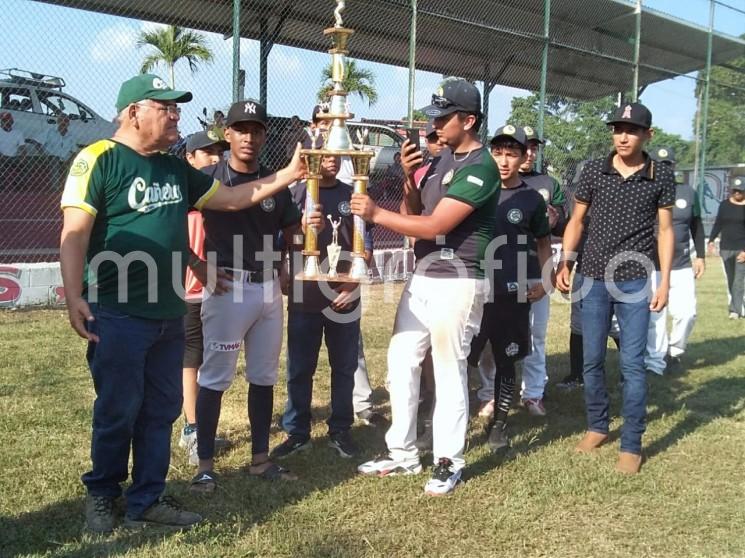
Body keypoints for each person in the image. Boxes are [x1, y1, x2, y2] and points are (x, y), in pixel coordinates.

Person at [59, 74, 305, 533]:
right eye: (165, 107)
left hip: (169, 312)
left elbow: (232, 199)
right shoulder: (97, 160)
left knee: (162, 408)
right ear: (134, 112)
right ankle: (102, 493)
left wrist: (289, 175)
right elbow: (74, 234)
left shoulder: (175, 169)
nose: (175, 116)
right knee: (118, 408)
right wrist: (74, 295)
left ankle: (147, 498)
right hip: (117, 310)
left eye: (176, 108)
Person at [352, 79, 499, 495]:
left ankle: (448, 460)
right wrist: (408, 177)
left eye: (443, 116)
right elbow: (413, 212)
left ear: (468, 120)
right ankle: (402, 452)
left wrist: (375, 213)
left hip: (459, 279)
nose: (434, 125)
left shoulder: (481, 166)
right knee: (401, 363)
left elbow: (435, 226)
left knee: (450, 370)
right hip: (423, 276)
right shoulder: (440, 162)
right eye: (433, 116)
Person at [190, 99, 319, 493]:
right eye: (240, 128)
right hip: (227, 288)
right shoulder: (210, 177)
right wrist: (196, 266)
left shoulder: (274, 182)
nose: (248, 136)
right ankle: (206, 465)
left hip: (267, 289)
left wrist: (294, 252)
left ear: (264, 135)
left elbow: (292, 228)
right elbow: (169, 221)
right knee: (215, 378)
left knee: (263, 377)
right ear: (226, 134)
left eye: (256, 129)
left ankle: (260, 459)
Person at [556, 102, 675, 474]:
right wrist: (566, 261)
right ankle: (597, 426)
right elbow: (576, 221)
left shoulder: (661, 175)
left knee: (632, 364)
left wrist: (664, 279)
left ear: (647, 135)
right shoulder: (593, 170)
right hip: (591, 278)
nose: (623, 136)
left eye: (632, 130)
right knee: (591, 360)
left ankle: (632, 443)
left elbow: (666, 230)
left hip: (636, 280)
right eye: (618, 128)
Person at [270, 154, 369, 460]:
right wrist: (298, 231)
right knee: (300, 368)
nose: (332, 161)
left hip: (343, 295)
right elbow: (282, 241)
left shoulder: (353, 194)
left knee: (344, 366)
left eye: (337, 156)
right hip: (306, 294)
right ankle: (297, 432)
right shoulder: (296, 193)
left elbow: (365, 247)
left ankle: (340, 429)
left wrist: (351, 286)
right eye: (325, 155)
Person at [467, 125, 552, 452]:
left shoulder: (532, 199)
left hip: (513, 293)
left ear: (523, 156)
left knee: (507, 359)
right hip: (474, 290)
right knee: (465, 360)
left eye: (512, 153)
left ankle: (500, 423)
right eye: (498, 152)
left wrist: (545, 282)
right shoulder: (475, 188)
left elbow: (544, 243)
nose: (504, 161)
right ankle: (453, 421)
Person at [179, 130, 230, 464]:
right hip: (186, 291)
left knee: (213, 359)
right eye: (206, 152)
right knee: (191, 357)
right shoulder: (181, 192)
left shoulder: (220, 193)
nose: (214, 157)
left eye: (217, 152)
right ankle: (192, 429)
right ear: (190, 158)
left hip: (217, 289)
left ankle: (203, 424)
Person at [645, 147, 706, 373]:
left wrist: (700, 256)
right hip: (652, 265)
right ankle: (655, 363)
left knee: (687, 313)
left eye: (667, 165)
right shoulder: (643, 191)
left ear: (674, 167)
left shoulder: (688, 193)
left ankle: (674, 351)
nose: (664, 169)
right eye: (659, 165)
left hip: (681, 264)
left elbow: (697, 227)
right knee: (655, 317)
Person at [707, 176, 745, 319]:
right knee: (730, 279)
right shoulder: (724, 205)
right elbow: (718, 223)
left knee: (739, 280)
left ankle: (735, 310)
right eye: (734, 190)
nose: (737, 193)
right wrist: (711, 240)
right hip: (725, 248)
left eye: (740, 191)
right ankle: (738, 304)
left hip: (741, 248)